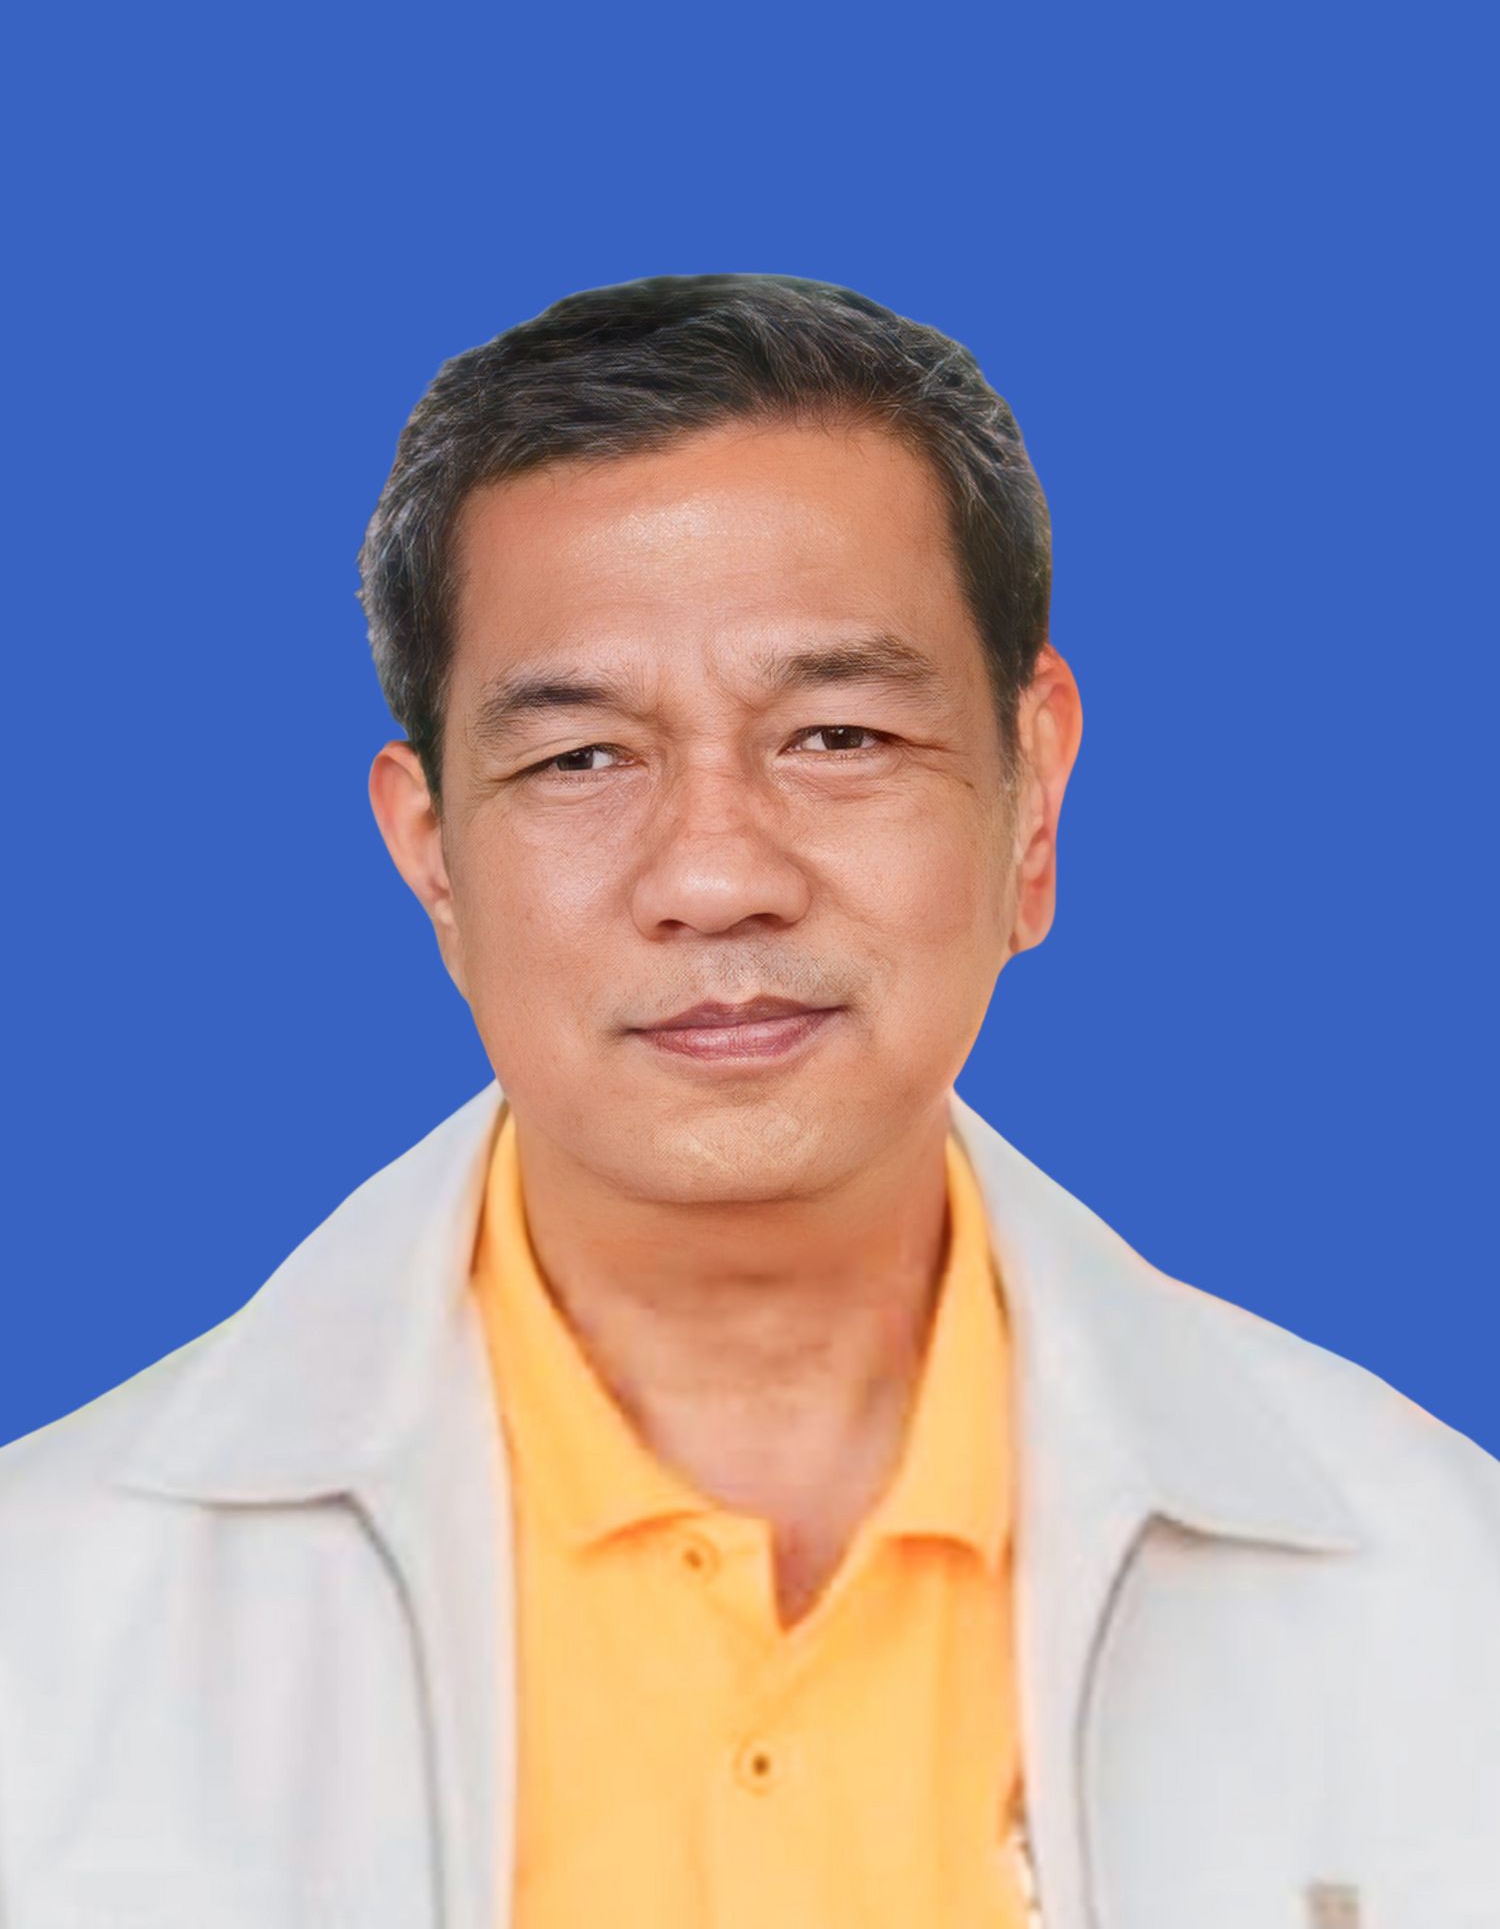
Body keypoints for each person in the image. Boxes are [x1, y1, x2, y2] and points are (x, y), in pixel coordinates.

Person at [1, 275, 1495, 1929]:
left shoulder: (1443, 1590)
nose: (715, 877)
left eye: (837, 736)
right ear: (432, 859)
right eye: (580, 759)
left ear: (1034, 798)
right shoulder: (45, 1633)